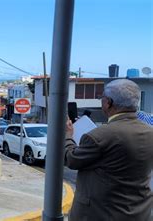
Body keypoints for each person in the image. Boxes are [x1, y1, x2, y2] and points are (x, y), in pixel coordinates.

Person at [65, 79, 153, 221]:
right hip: (140, 212)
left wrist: (67, 136)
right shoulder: (149, 132)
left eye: (102, 99)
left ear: (109, 103)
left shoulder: (99, 135)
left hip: (101, 213)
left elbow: (71, 159)